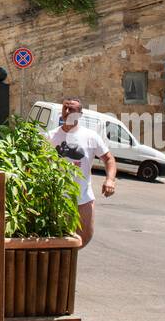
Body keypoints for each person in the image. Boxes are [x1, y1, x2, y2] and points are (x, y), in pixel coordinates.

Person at [45, 96, 116, 246]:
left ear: (80, 114)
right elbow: (38, 163)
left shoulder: (90, 137)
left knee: (84, 237)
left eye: (72, 109)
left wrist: (110, 180)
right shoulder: (50, 136)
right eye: (65, 108)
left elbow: (109, 159)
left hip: (82, 197)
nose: (67, 111)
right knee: (55, 241)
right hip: (56, 197)